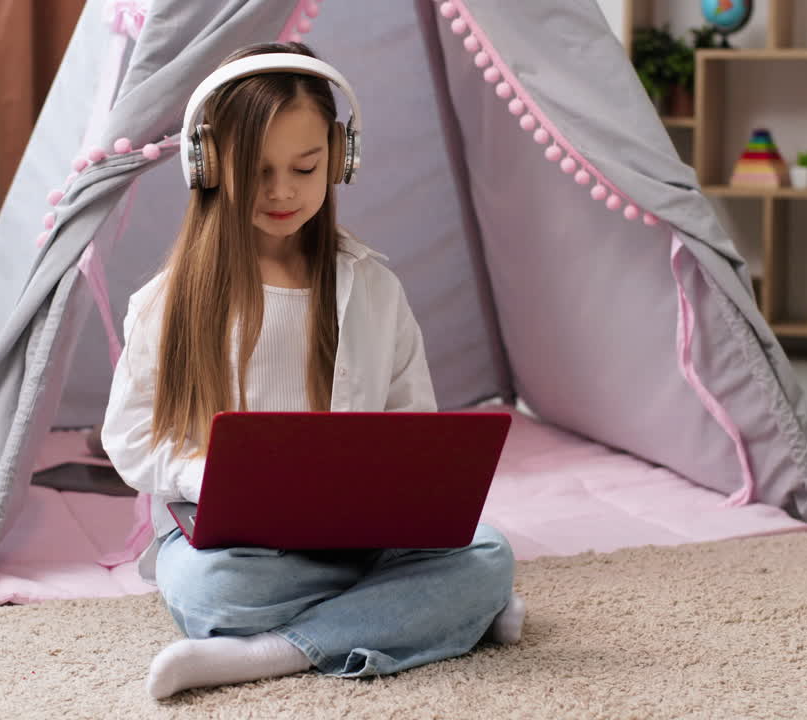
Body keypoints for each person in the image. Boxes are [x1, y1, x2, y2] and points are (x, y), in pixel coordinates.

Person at [102, 41, 525, 700]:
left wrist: (399, 496)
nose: (282, 192)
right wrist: (205, 475)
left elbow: (411, 429)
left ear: (340, 157)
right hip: (235, 551)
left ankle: (274, 651)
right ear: (208, 164)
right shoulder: (168, 302)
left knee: (490, 553)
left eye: (304, 167)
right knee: (211, 591)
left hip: (358, 536)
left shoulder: (375, 289)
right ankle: (432, 615)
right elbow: (129, 438)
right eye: (258, 169)